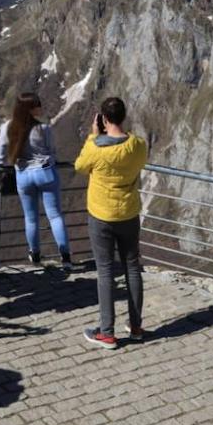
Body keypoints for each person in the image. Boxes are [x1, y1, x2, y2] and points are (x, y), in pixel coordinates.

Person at [75, 97, 148, 350]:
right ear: (123, 116)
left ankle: (107, 332)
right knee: (132, 267)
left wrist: (92, 137)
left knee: (105, 271)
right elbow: (139, 161)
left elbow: (80, 166)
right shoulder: (138, 145)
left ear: (104, 120)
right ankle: (136, 326)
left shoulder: (96, 148)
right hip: (128, 213)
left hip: (101, 215)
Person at [0, 92, 71, 269]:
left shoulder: (8, 128)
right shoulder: (43, 129)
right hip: (45, 173)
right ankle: (66, 258)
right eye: (37, 105)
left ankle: (35, 254)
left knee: (31, 218)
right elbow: (52, 152)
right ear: (30, 108)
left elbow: (1, 155)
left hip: (23, 174)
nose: (40, 108)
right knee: (55, 215)